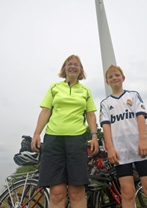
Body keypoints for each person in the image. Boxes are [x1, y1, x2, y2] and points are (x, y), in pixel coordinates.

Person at [31, 55, 99, 208]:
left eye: (76, 64)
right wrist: (36, 134)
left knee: (77, 191)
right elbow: (46, 111)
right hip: (54, 140)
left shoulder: (85, 90)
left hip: (77, 140)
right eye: (69, 64)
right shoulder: (54, 87)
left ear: (81, 69)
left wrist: (94, 136)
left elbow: (90, 114)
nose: (73, 66)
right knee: (57, 192)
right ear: (64, 68)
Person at [99, 65, 147, 208]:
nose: (114, 78)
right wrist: (110, 148)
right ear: (107, 82)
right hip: (120, 153)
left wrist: (143, 140)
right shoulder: (105, 103)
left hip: (140, 149)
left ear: (123, 78)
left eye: (117, 75)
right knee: (127, 192)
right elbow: (106, 127)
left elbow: (141, 118)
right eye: (110, 77)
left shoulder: (133, 96)